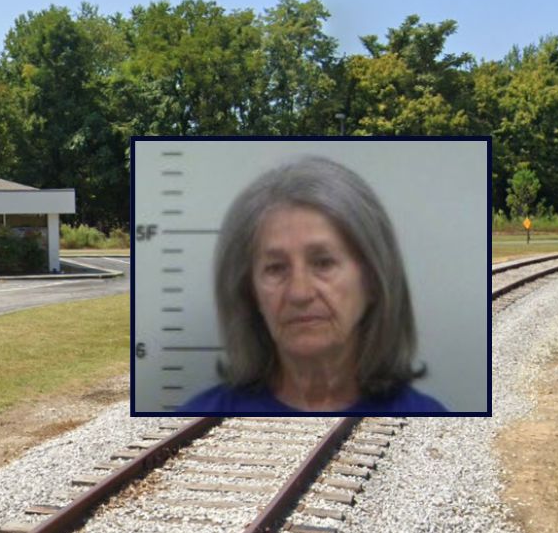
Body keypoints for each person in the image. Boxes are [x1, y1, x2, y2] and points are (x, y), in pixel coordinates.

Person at [180, 156, 447, 413]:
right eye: (276, 268)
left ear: (374, 281)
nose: (300, 293)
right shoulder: (197, 418)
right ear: (250, 293)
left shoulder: (430, 421)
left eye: (323, 263)